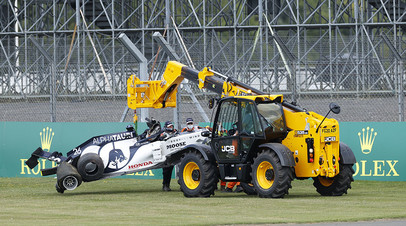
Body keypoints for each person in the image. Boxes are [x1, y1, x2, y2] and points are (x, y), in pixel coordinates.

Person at [160, 121, 178, 191]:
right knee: (166, 170)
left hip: (174, 153)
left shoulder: (175, 133)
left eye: (171, 126)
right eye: (169, 126)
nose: (171, 128)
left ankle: (168, 185)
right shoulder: (163, 134)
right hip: (165, 154)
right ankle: (165, 185)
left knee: (170, 169)